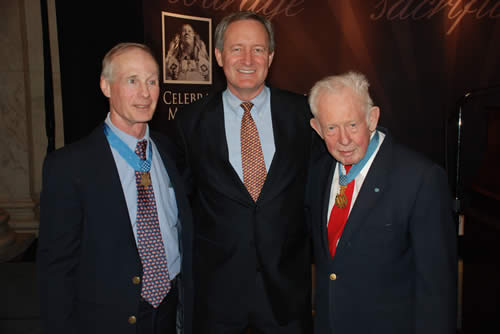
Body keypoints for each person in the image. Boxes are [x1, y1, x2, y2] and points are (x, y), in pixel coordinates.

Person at [37, 43, 193, 334]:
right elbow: (56, 271)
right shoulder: (69, 167)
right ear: (106, 86)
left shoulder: (169, 150)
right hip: (108, 319)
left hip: (171, 313)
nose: (145, 93)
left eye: (152, 81)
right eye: (132, 80)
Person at [174, 11, 313, 334]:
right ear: (220, 56)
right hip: (217, 298)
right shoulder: (189, 122)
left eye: (258, 49)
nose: (248, 59)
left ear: (272, 56)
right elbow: (184, 203)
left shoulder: (304, 116)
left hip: (287, 297)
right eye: (237, 49)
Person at [305, 71, 457, 334]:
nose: (343, 140)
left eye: (352, 125)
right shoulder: (318, 172)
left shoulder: (420, 178)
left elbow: (437, 289)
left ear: (372, 118)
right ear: (317, 128)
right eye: (331, 128)